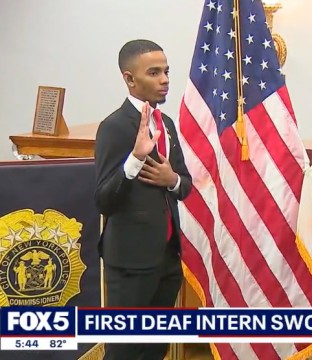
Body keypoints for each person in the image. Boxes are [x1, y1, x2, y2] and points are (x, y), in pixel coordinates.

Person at [94, 39, 192, 360]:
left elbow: (185, 185)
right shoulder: (114, 127)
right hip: (131, 263)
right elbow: (104, 200)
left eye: (166, 71)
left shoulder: (167, 125)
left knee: (155, 347)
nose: (164, 79)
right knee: (124, 350)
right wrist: (134, 160)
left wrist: (172, 180)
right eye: (154, 72)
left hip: (166, 258)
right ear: (130, 79)